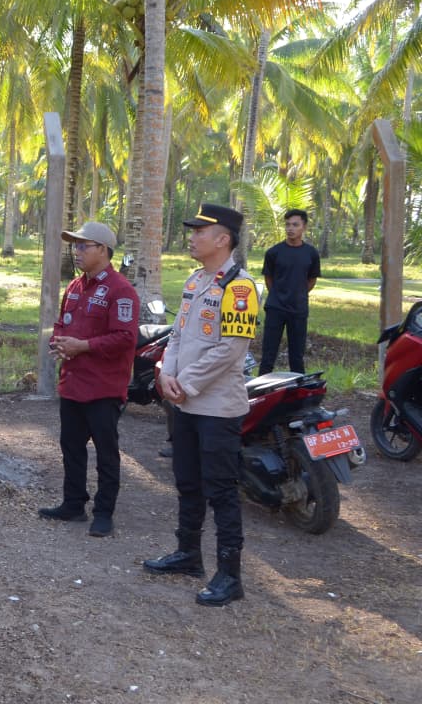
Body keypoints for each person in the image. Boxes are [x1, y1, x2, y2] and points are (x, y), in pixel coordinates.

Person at [145, 203, 259, 606]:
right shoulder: (195, 281)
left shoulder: (240, 288)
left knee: (222, 490)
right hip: (185, 403)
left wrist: (186, 383)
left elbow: (231, 350)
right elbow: (177, 336)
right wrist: (166, 373)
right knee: (187, 482)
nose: (192, 238)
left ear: (222, 239)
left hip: (217, 408)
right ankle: (188, 553)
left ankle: (229, 574)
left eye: (199, 232)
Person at [39, 221, 139, 537]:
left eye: (83, 246)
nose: (77, 251)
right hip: (73, 383)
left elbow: (125, 337)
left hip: (103, 388)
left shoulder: (121, 290)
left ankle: (104, 512)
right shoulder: (75, 286)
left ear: (103, 250)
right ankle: (73, 504)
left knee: (106, 453)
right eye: (75, 246)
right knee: (71, 446)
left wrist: (82, 346)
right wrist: (59, 341)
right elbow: (62, 322)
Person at [259, 208, 321, 375]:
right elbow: (269, 279)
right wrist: (279, 295)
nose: (290, 228)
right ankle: (262, 387)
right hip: (275, 308)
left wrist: (298, 294)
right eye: (287, 225)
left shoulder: (311, 253)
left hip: (298, 309)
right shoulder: (273, 252)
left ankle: (299, 388)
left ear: (304, 227)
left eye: (295, 225)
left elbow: (312, 279)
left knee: (297, 356)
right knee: (268, 354)